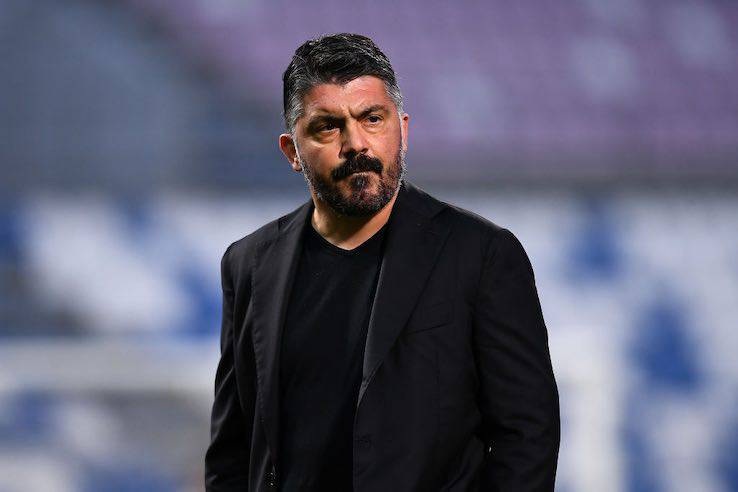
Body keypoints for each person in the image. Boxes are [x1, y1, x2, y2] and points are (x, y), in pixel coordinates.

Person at [204, 33, 560, 492]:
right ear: (292, 152)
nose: (356, 143)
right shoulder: (249, 264)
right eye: (328, 126)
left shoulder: (482, 255)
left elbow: (527, 436)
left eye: (372, 119)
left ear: (403, 130)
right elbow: (232, 450)